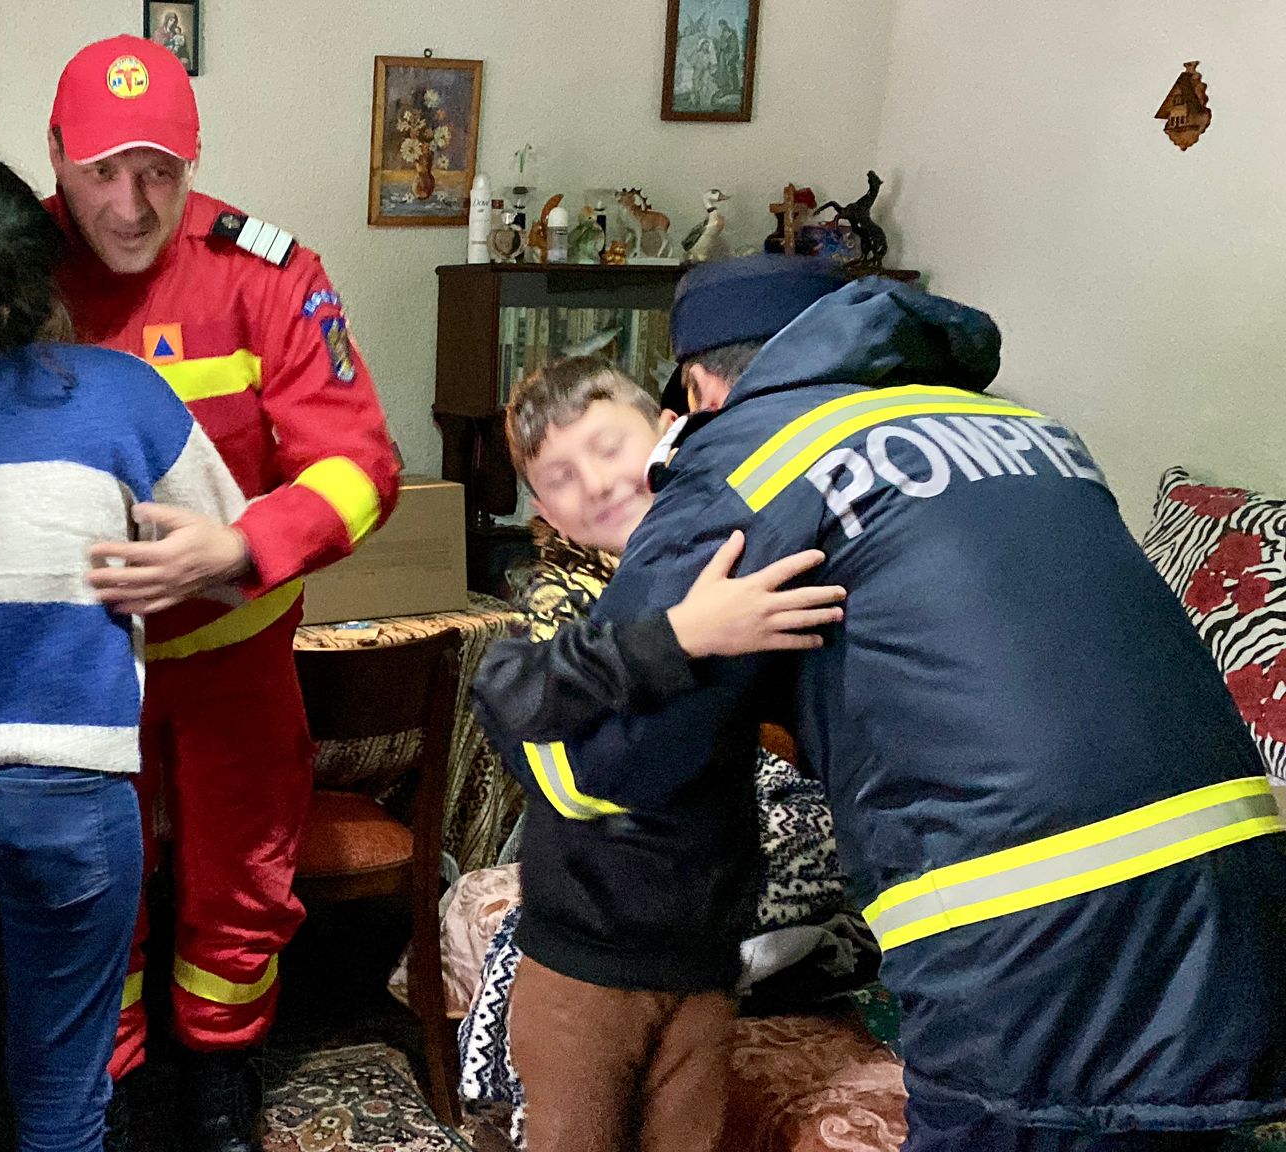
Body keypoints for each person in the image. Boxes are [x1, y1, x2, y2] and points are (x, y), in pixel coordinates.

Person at [480, 254, 1286, 1151]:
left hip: (1028, 928)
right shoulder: (1023, 424)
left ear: (696, 399)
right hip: (1240, 894)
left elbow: (595, 757)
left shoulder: (747, 455)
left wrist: (666, 653)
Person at [0, 36, 400, 1149]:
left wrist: (237, 548)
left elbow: (360, 466)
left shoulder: (267, 274)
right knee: (81, 916)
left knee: (241, 886)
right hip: (60, 680)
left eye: (159, 172)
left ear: (193, 161)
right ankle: (106, 1095)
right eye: (103, 173)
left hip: (230, 657)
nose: (131, 205)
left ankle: (220, 1084)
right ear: (57, 159)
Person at [0, 153, 250, 1152]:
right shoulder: (129, 394)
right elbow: (231, 554)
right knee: (61, 1106)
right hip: (71, 791)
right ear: (49, 262)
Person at [470, 356, 846, 1152]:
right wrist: (681, 636)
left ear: (670, 434)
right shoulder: (562, 595)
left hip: (704, 952)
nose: (597, 482)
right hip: (585, 960)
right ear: (545, 511)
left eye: (610, 447)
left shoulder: (728, 559)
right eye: (561, 478)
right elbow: (511, 690)